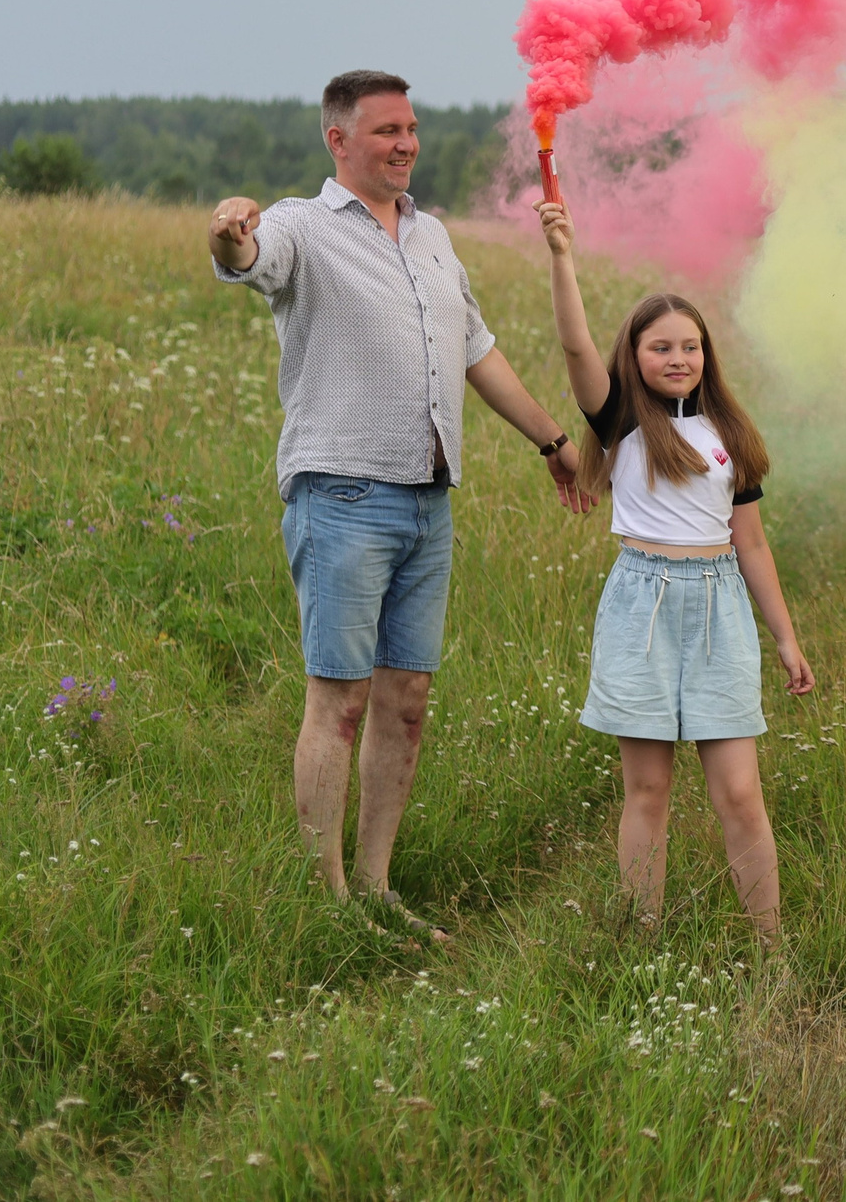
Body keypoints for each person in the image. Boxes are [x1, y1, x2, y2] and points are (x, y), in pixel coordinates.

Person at [208, 70, 587, 941]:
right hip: (342, 494)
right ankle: (326, 900)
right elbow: (248, 261)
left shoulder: (432, 236)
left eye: (411, 128)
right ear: (338, 140)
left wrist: (553, 441)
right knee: (338, 702)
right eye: (386, 130)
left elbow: (476, 351)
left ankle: (377, 889)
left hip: (427, 502)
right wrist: (228, 235)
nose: (406, 143)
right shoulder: (301, 225)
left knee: (406, 699)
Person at [537, 200, 813, 936]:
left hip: (720, 609)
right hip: (643, 603)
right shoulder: (622, 421)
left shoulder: (729, 434)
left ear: (706, 355)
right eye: (660, 347)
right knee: (648, 789)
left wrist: (786, 638)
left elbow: (752, 545)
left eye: (690, 346)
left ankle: (770, 942)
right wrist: (562, 255)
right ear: (634, 356)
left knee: (740, 793)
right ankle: (643, 935)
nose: (678, 358)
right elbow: (574, 346)